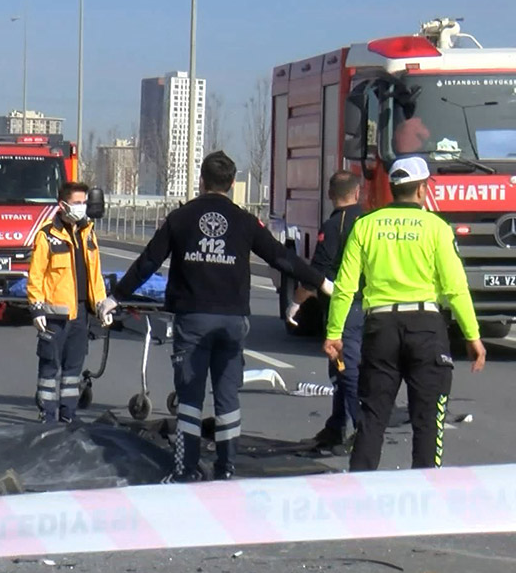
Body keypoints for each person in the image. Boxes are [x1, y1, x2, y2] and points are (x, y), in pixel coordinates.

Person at [101, 151, 332, 482]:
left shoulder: (181, 218)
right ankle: (226, 469)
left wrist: (116, 297)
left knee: (191, 398)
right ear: (232, 183)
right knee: (227, 400)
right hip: (233, 320)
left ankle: (185, 469)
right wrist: (319, 281)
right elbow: (280, 257)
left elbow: (149, 261)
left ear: (202, 180)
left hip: (193, 318)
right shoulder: (244, 221)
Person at [324, 156, 486, 472]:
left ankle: (359, 490)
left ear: (392, 189)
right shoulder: (437, 227)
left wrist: (334, 332)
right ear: (423, 190)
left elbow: (345, 285)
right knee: (427, 422)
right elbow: (455, 287)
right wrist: (472, 336)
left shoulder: (365, 225)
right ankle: (424, 496)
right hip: (426, 328)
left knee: (372, 417)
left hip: (380, 327)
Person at [286, 171, 365, 455]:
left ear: (331, 195)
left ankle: (360, 429)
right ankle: (336, 426)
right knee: (345, 368)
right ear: (358, 192)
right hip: (372, 306)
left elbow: (318, 270)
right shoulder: (369, 221)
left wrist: (296, 302)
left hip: (344, 309)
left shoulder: (334, 226)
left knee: (345, 369)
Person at [27, 181, 110, 423]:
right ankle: (48, 416)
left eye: (84, 202)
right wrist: (37, 308)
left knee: (73, 371)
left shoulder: (88, 233)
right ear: (63, 205)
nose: (82, 207)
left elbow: (95, 274)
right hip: (55, 314)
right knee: (50, 368)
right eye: (77, 203)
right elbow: (36, 275)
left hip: (81, 313)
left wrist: (102, 304)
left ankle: (68, 416)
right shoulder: (46, 235)